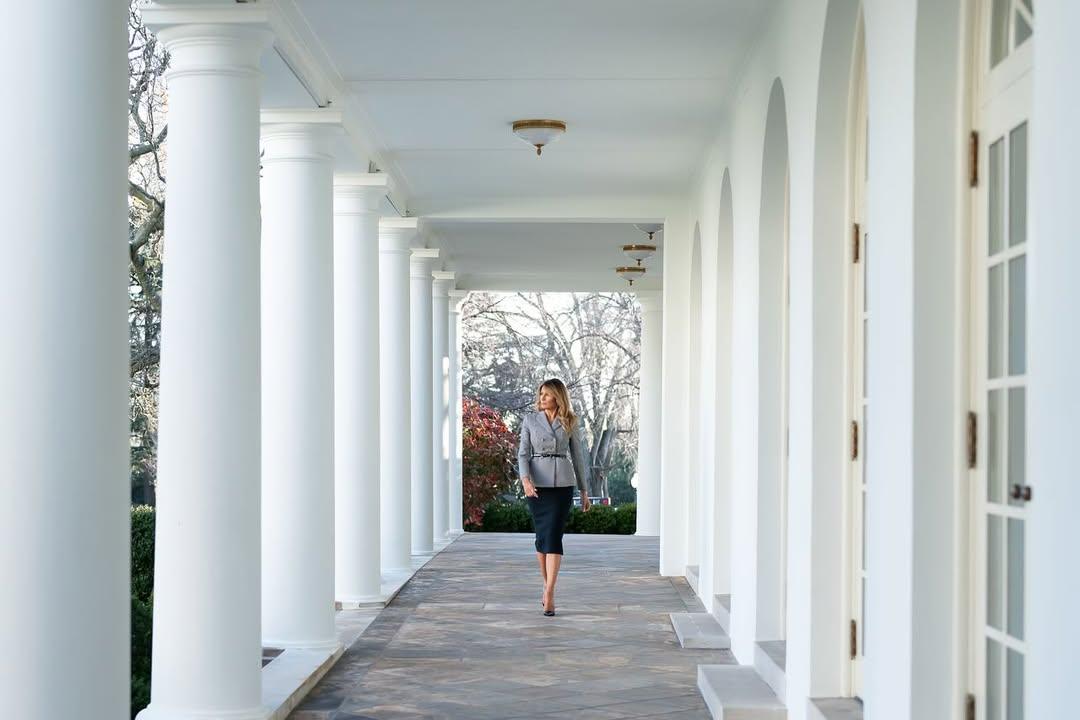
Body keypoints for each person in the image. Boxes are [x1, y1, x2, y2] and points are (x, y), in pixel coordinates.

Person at [517, 378, 591, 617]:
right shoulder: (530, 420)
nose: (542, 398)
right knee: (542, 537)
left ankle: (549, 592)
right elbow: (523, 454)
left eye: (547, 394)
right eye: (541, 394)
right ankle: (546, 584)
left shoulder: (570, 420)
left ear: (558, 397)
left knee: (554, 537)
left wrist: (584, 490)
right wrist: (525, 481)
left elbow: (578, 457)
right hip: (537, 486)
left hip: (562, 485)